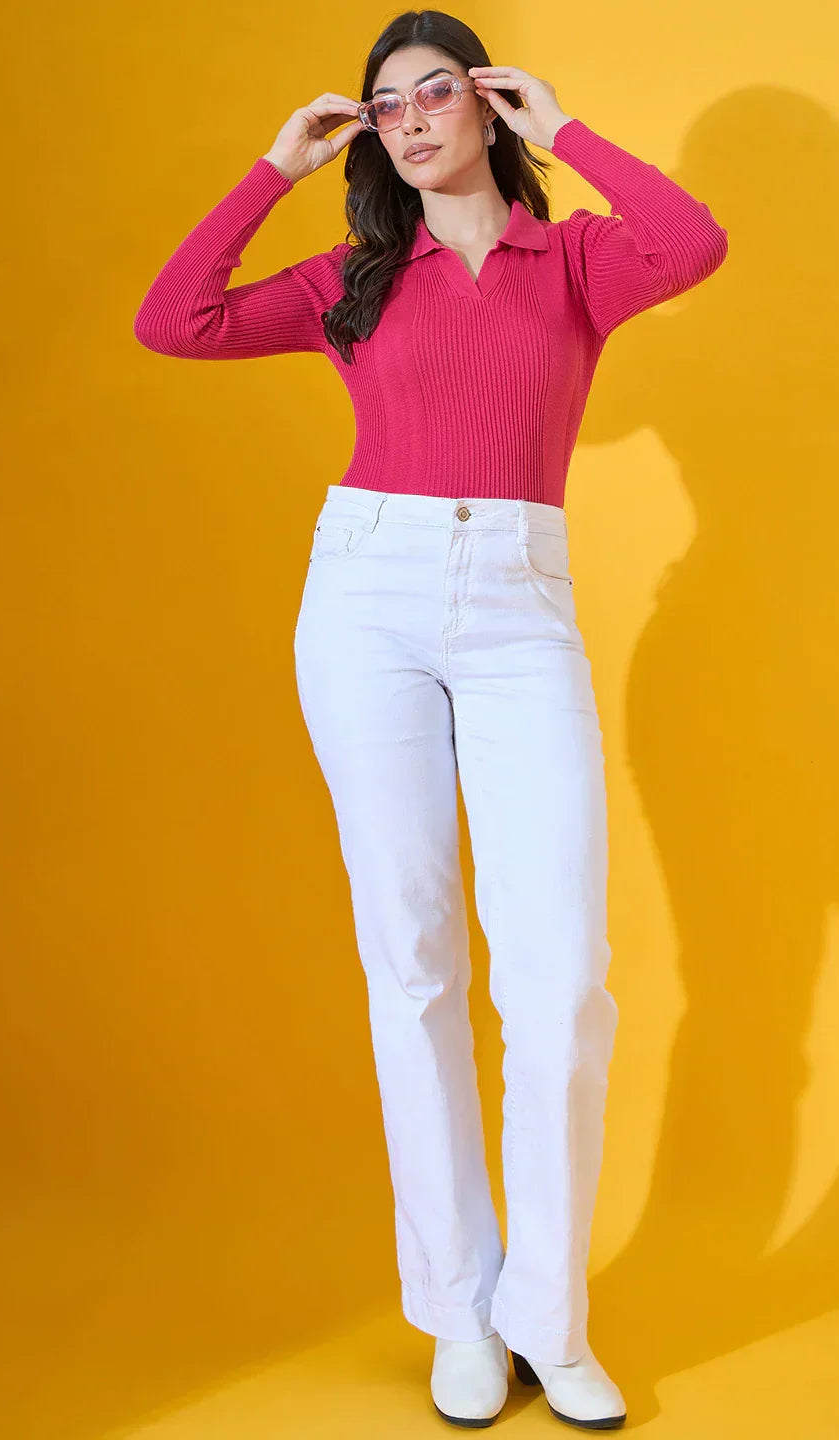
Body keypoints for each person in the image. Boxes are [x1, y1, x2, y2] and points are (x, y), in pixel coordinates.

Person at [134, 9, 727, 1429]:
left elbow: (693, 240)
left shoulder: (572, 257)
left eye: (434, 91)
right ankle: (460, 1310)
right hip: (371, 596)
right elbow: (177, 319)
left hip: (520, 604)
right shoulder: (354, 276)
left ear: (485, 106)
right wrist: (273, 168)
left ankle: (550, 1316)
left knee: (560, 980)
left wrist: (564, 128)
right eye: (381, 104)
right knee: (411, 961)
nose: (405, 119)